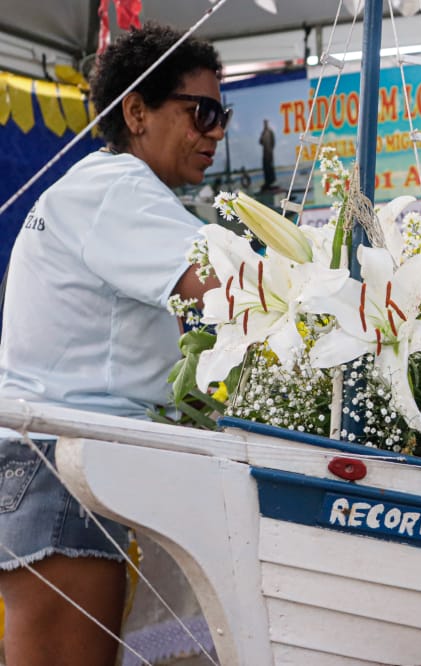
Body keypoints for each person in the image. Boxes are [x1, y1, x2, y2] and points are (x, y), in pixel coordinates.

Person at [0, 22, 225, 666]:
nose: (215, 132)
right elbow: (228, 290)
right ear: (136, 111)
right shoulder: (120, 190)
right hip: (59, 478)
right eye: (200, 112)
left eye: (222, 114)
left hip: (54, 472)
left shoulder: (103, 189)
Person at [259, 118, 276, 191]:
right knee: (265, 168)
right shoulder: (263, 132)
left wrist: (270, 150)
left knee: (270, 167)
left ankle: (271, 181)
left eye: (266, 123)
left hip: (269, 153)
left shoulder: (270, 132)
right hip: (265, 153)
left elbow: (273, 142)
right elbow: (260, 142)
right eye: (264, 123)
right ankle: (267, 182)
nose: (265, 124)